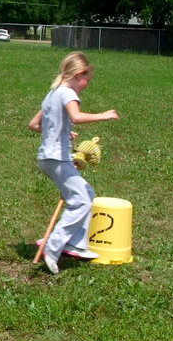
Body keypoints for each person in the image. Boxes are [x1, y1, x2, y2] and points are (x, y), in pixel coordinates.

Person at [28, 52, 119, 275]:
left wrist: (60, 131)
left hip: (47, 158)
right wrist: (104, 115)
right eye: (87, 79)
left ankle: (76, 244)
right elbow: (76, 117)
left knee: (86, 193)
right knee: (80, 202)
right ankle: (54, 245)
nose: (87, 85)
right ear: (79, 74)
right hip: (57, 158)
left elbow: (34, 124)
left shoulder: (52, 94)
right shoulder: (68, 93)